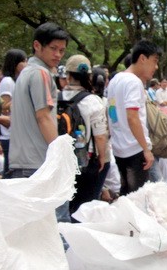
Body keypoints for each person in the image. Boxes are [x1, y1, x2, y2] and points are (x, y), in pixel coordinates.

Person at [9, 23, 70, 225]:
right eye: (53, 48)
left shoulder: (25, 73)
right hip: (39, 163)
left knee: (32, 232)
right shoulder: (40, 74)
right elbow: (43, 117)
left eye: (61, 50)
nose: (58, 55)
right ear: (37, 45)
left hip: (23, 163)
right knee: (54, 229)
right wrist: (60, 154)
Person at [107, 40, 161, 195]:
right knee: (138, 196)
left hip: (119, 147)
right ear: (143, 58)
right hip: (134, 148)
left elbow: (111, 112)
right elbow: (132, 117)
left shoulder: (115, 79)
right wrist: (146, 149)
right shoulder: (134, 82)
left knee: (126, 192)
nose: (156, 67)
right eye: (155, 61)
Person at [60, 55, 110, 215]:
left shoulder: (57, 97)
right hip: (86, 160)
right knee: (85, 207)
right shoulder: (93, 101)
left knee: (65, 205)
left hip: (62, 159)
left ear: (67, 75)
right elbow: (100, 135)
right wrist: (102, 157)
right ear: (89, 76)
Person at [0, 48, 27, 178]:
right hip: (8, 134)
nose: (26, 65)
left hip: (15, 133)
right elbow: (4, 107)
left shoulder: (16, 81)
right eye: (23, 61)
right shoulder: (7, 82)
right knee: (9, 172)